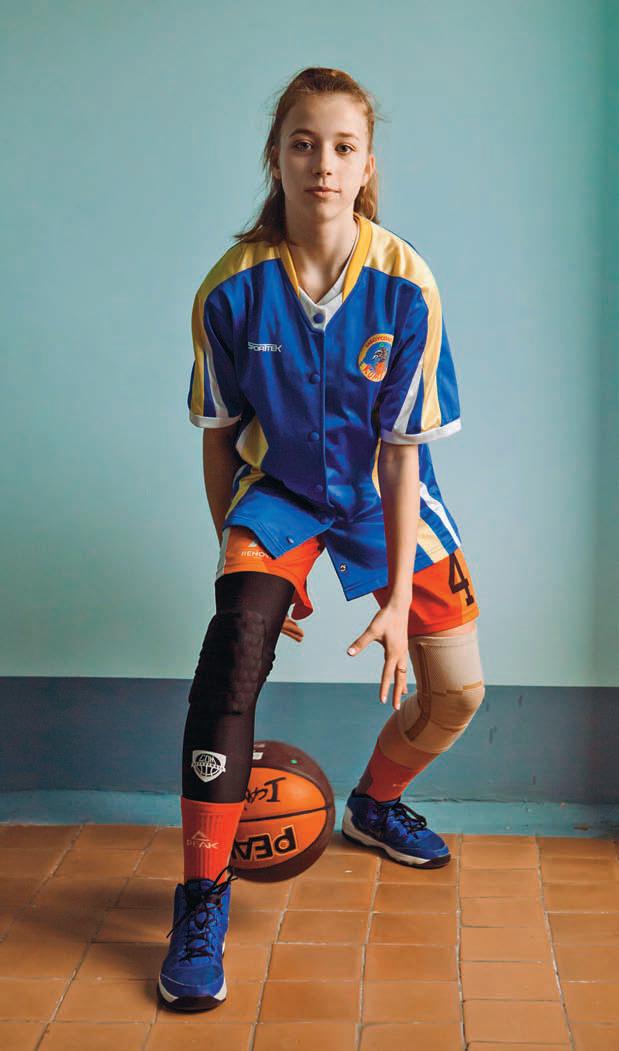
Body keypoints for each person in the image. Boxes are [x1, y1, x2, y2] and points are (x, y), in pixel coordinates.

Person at [158, 66, 485, 1013]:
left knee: (458, 691)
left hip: (384, 493)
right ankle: (201, 897)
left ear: (367, 163)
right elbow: (220, 436)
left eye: (342, 147)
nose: (322, 164)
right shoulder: (231, 290)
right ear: (277, 156)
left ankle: (373, 803)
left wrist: (395, 599)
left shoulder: (407, 284)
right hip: (279, 495)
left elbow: (403, 454)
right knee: (232, 651)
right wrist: (238, 564)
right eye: (303, 144)